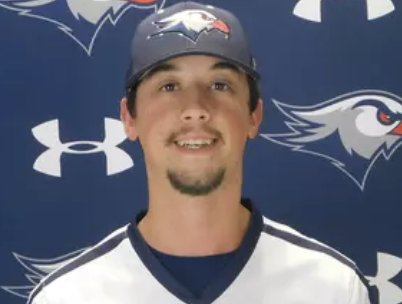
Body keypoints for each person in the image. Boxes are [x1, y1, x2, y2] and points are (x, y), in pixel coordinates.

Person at [29, 2, 376, 304]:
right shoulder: (67, 296)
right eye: (169, 86)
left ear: (253, 116)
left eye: (219, 85)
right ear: (129, 118)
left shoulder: (334, 289)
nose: (195, 108)